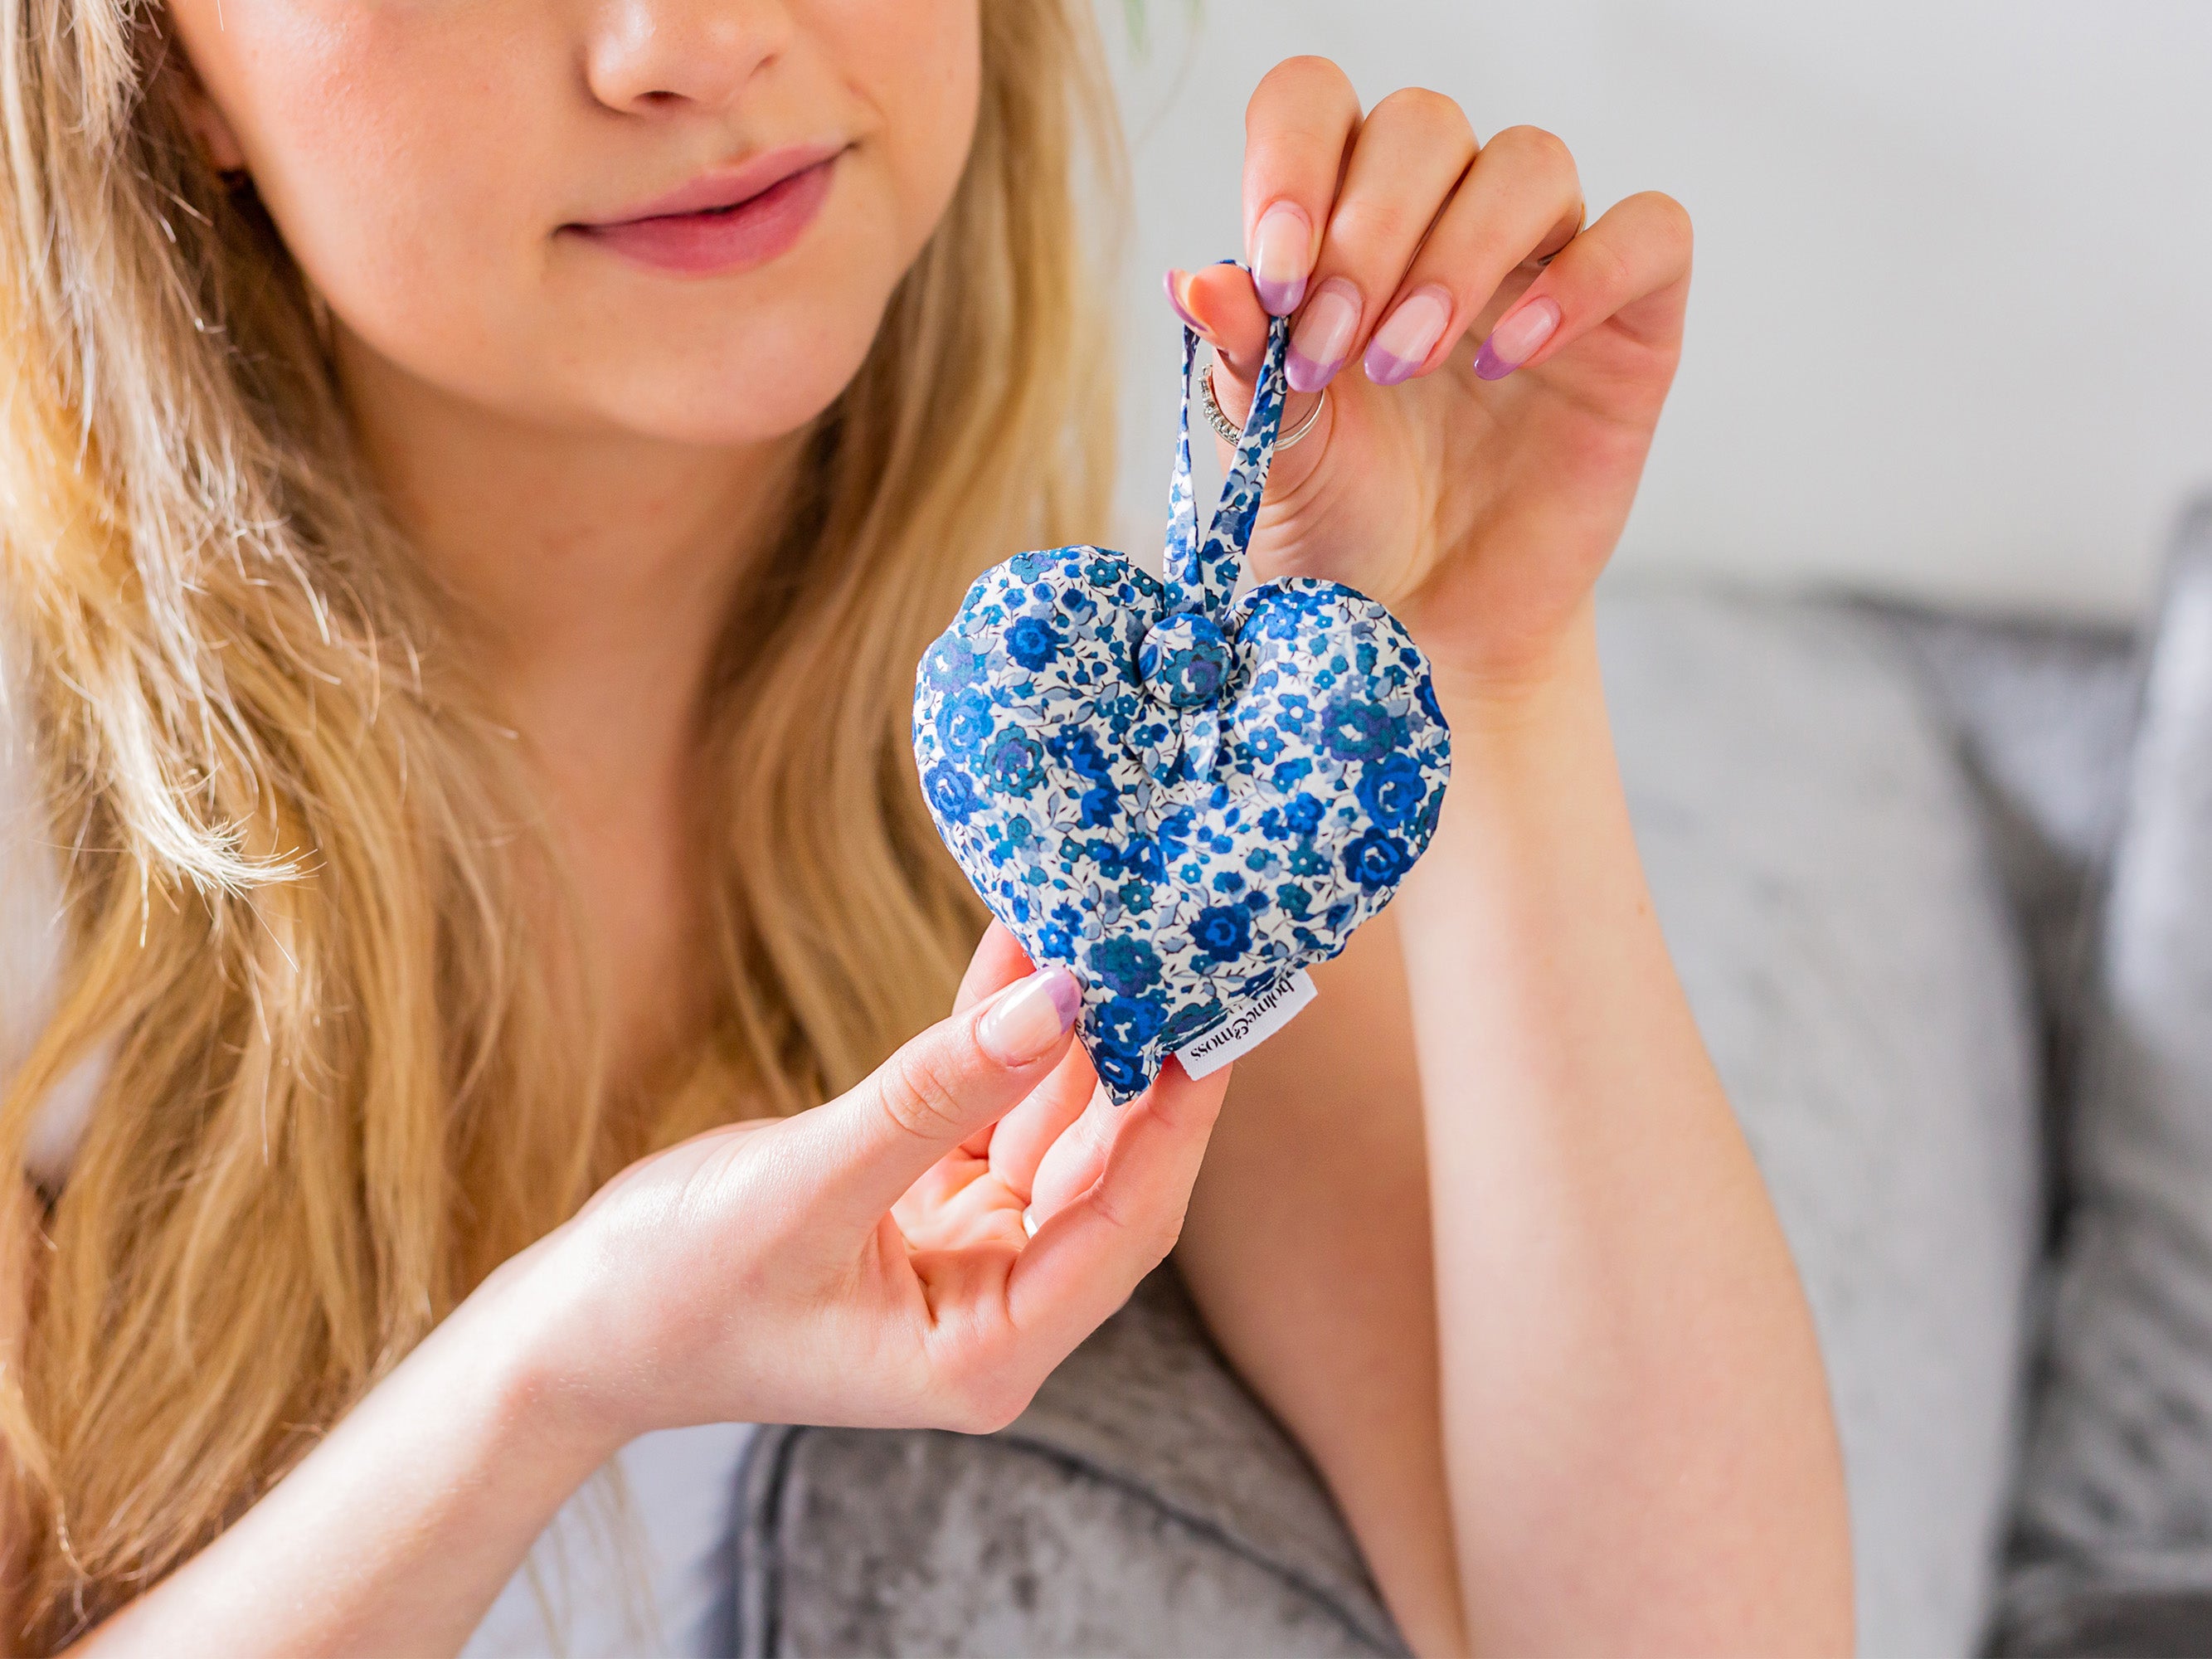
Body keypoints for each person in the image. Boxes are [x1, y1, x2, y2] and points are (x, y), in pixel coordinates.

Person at [0, 0, 1852, 1651]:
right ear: (159, 57)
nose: (688, 39)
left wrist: (1494, 649)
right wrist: (550, 1376)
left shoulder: (1125, 827)